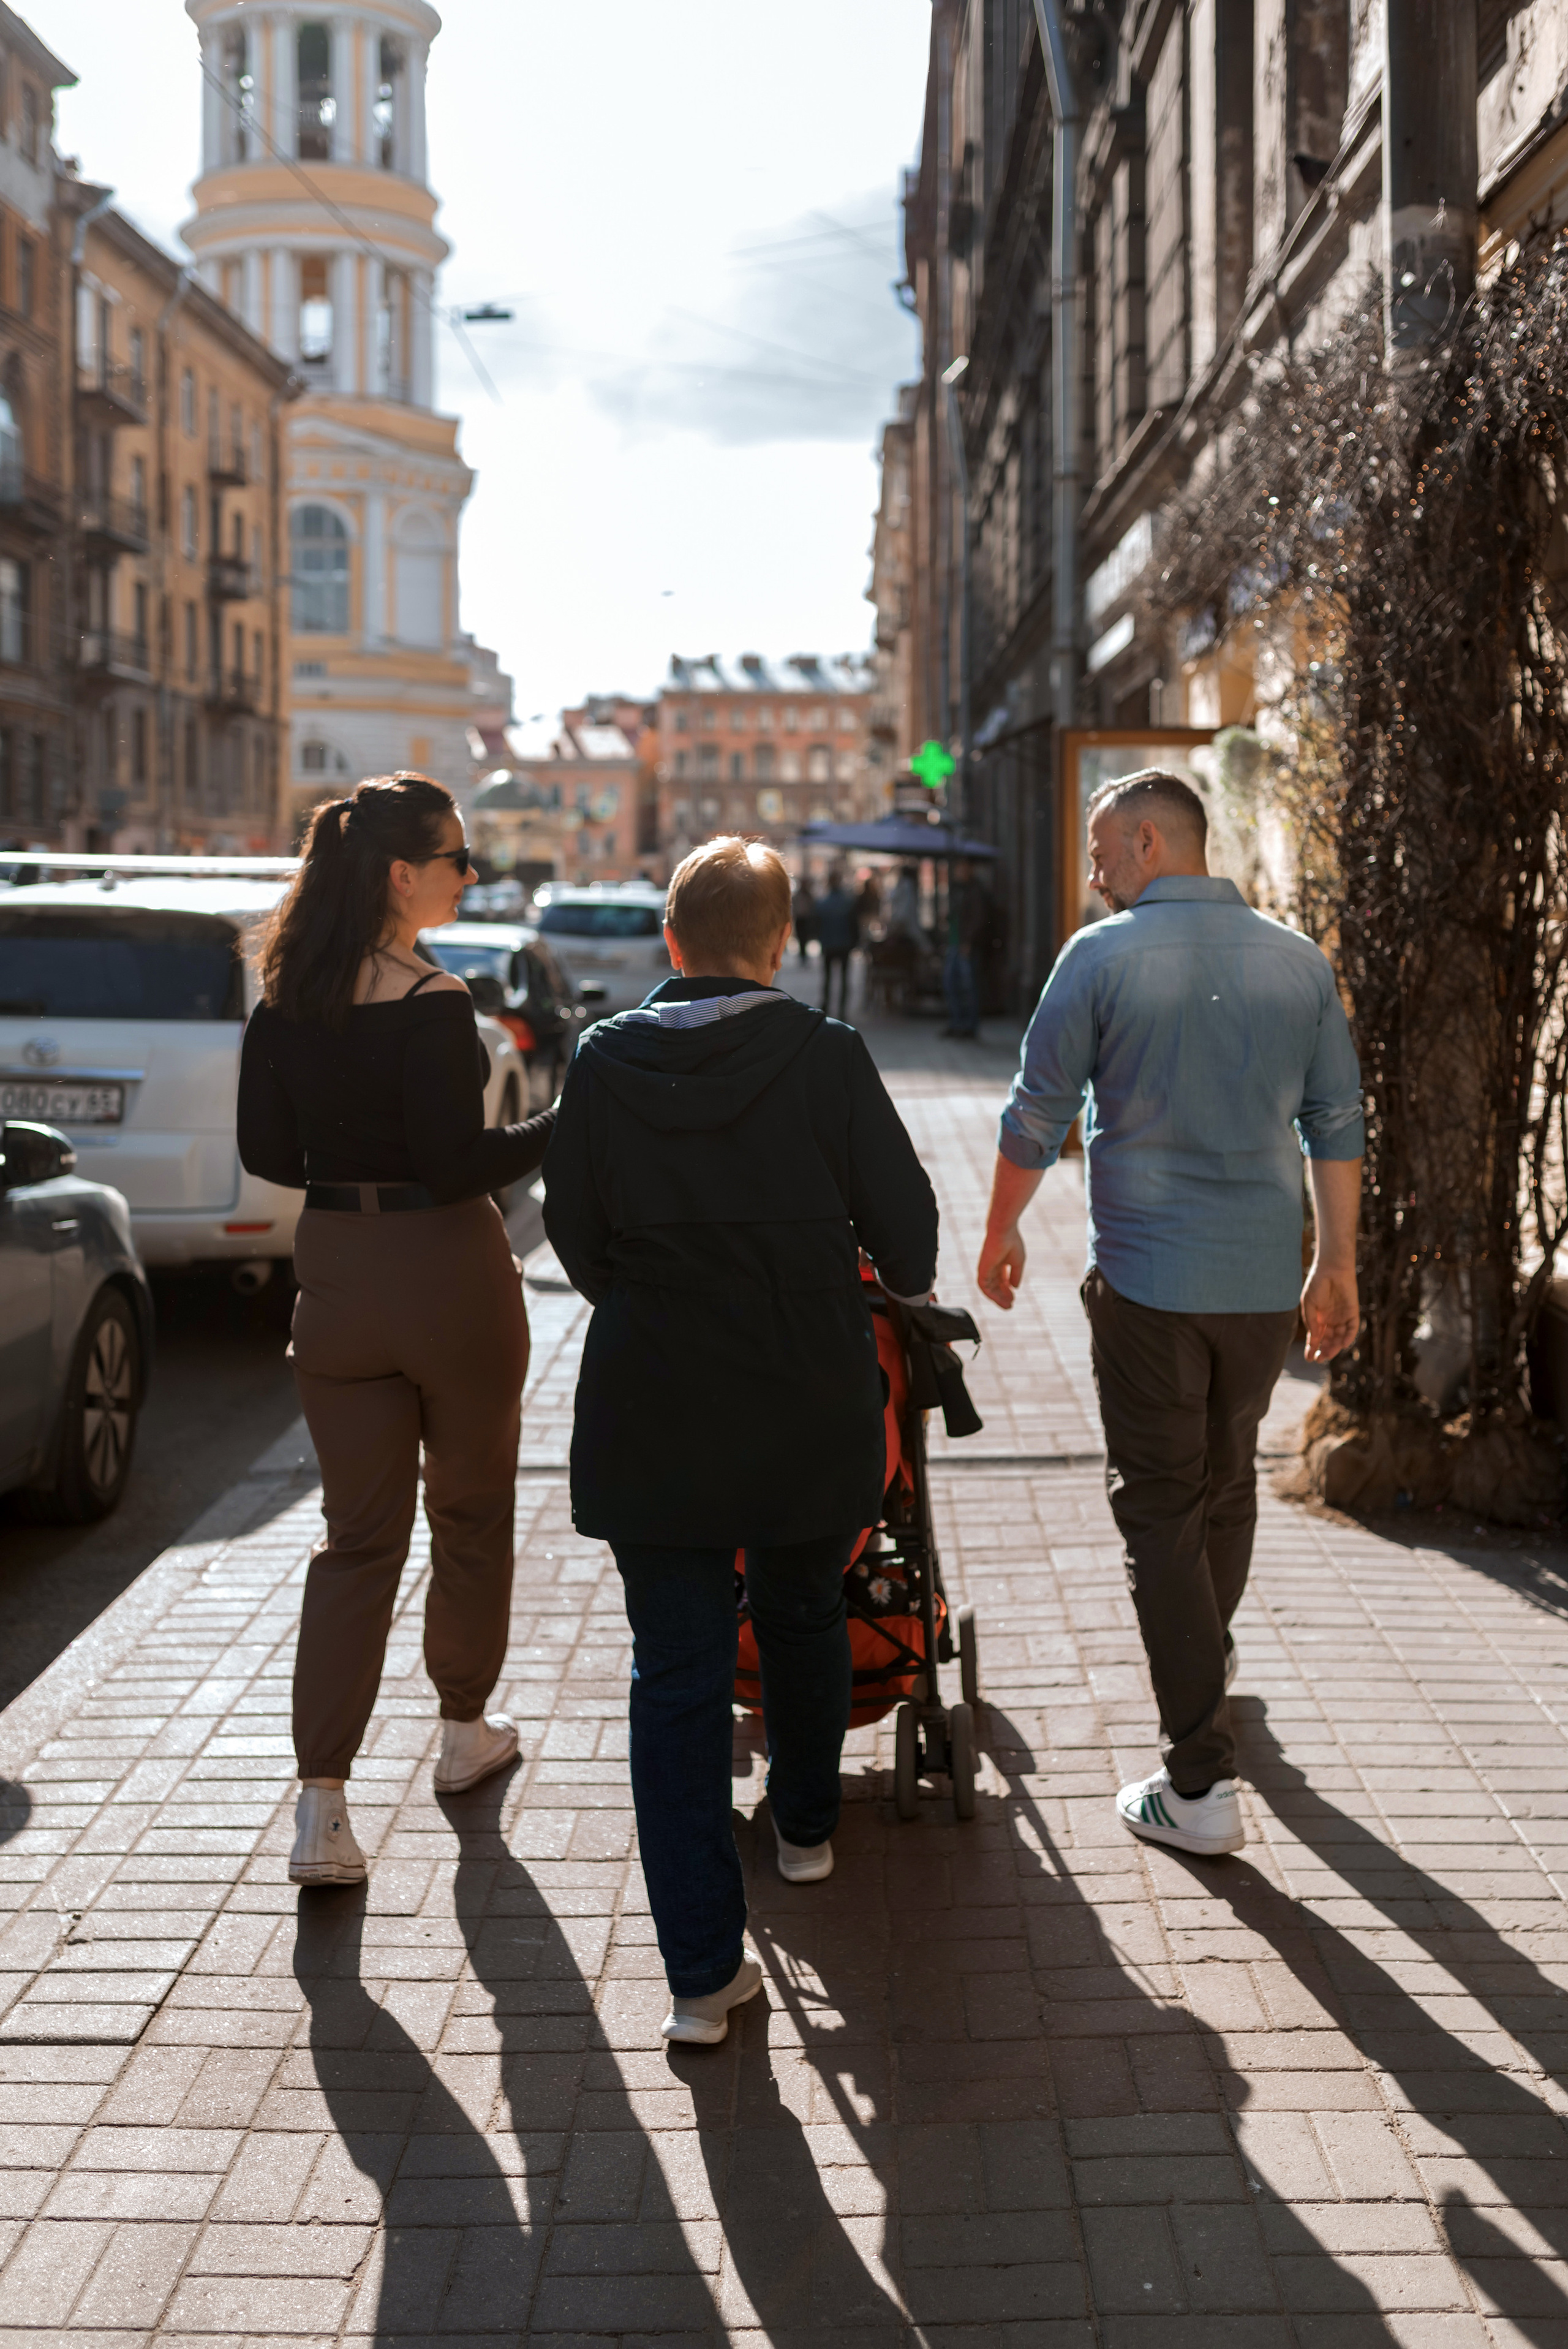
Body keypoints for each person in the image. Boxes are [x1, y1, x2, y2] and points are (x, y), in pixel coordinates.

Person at [543, 836, 938, 2045]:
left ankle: (700, 1979)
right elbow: (911, 1249)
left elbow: (576, 1242)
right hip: (804, 1401)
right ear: (778, 946)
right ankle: (806, 1828)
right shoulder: (826, 1056)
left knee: (673, 1672)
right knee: (805, 1607)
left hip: (652, 1402)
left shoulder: (601, 1062)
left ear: (670, 942)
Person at [975, 771, 1363, 1859]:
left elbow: (1035, 1108)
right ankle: (1208, 1663)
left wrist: (1001, 1228)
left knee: (1157, 1509)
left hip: (1148, 1281)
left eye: (1103, 851)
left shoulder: (1099, 957)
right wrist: (1337, 1265)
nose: (1095, 873)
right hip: (1258, 1286)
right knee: (1225, 1479)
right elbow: (1337, 1119)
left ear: (1151, 840)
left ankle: (1198, 1779)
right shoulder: (1297, 958)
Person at [238, 774, 557, 1889]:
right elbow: (458, 1161)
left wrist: (347, 1162)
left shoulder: (285, 997)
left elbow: (270, 1154)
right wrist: (564, 1120)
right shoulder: (432, 998)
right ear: (400, 874)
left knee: (355, 1538)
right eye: (457, 858)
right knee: (469, 1508)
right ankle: (463, 1732)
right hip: (446, 1269)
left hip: (336, 1268)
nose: (471, 875)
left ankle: (322, 1806)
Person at [942, 857, 990, 1038]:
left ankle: (969, 1026)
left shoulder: (975, 891)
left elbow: (979, 919)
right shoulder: (957, 890)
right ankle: (956, 1022)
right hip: (954, 942)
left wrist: (969, 942)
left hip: (965, 945)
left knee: (968, 986)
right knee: (951, 984)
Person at [814, 864, 860, 1019]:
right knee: (844, 977)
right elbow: (854, 925)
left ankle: (827, 1004)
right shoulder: (847, 902)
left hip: (829, 944)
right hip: (844, 944)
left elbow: (817, 925)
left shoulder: (823, 903)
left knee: (828, 977)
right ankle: (842, 1009)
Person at [791, 873, 816, 959]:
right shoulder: (798, 896)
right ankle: (803, 956)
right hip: (800, 919)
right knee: (801, 938)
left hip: (807, 919)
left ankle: (804, 955)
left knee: (806, 938)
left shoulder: (809, 896)